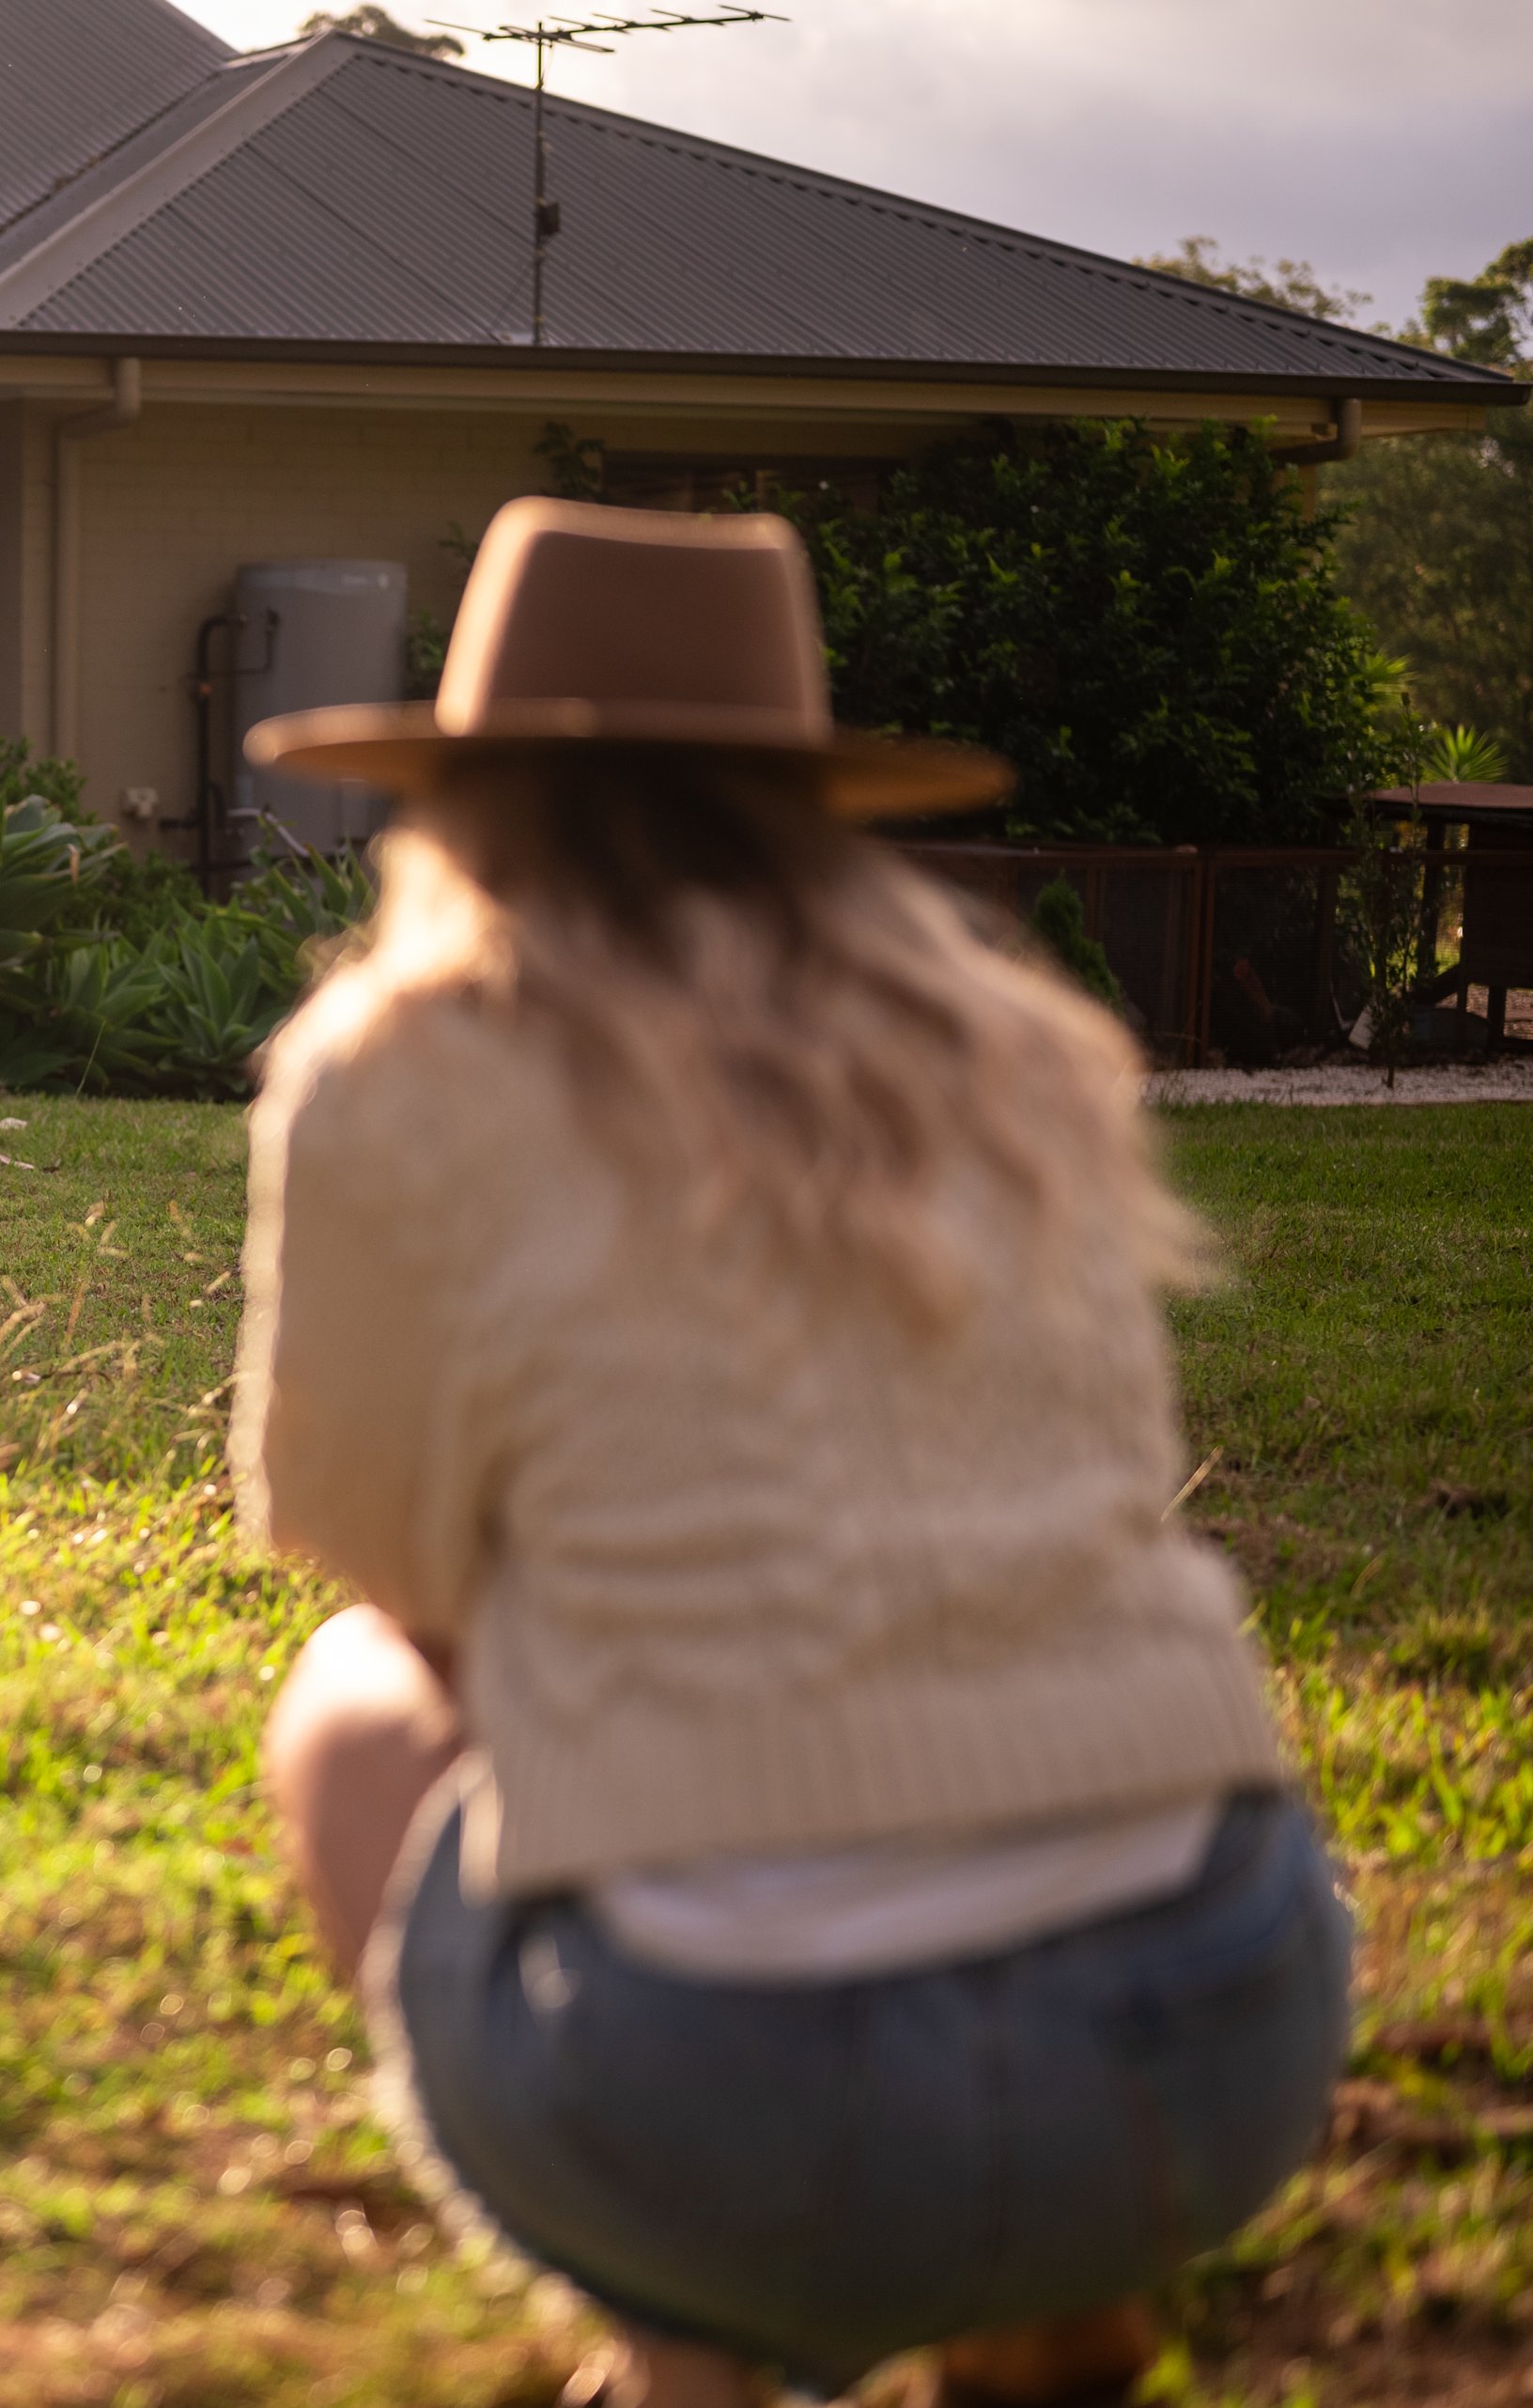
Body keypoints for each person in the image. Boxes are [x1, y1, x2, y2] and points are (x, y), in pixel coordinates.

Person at [234, 500, 1349, 2408]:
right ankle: (1060, 2288)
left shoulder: (403, 1065)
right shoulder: (1015, 1047)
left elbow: (377, 1555)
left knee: (347, 1698)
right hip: (1222, 2017)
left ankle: (688, 2344)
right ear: (809, 798)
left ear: (464, 793)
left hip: (742, 2089)